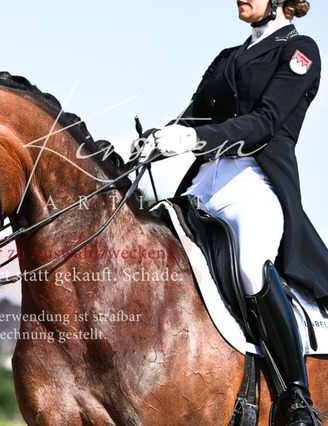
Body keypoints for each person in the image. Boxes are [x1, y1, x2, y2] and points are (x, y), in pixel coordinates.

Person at [141, 0, 327, 424]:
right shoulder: (228, 57)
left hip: (254, 179)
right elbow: (194, 115)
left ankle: (295, 396)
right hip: (203, 180)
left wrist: (193, 139)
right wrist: (158, 138)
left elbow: (265, 121)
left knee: (250, 267)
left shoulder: (300, 50)